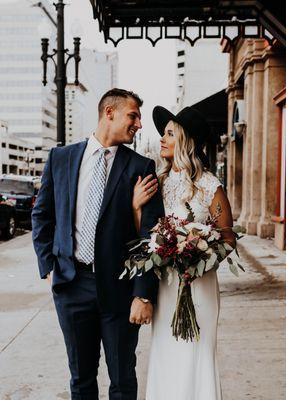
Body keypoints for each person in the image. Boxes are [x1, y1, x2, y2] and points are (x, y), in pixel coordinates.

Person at [32, 88, 164, 400]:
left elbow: (152, 233)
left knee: (122, 378)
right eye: (133, 116)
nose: (139, 124)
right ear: (109, 113)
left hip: (119, 289)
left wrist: (143, 294)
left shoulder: (140, 167)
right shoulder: (61, 158)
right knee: (81, 378)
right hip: (72, 285)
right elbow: (42, 216)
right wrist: (49, 267)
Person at [132, 106, 236, 400]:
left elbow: (228, 239)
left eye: (169, 134)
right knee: (167, 352)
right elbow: (145, 234)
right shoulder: (158, 182)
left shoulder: (208, 186)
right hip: (164, 285)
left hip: (198, 285)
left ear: (186, 141)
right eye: (163, 134)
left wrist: (197, 257)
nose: (162, 139)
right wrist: (136, 207)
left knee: (196, 353)